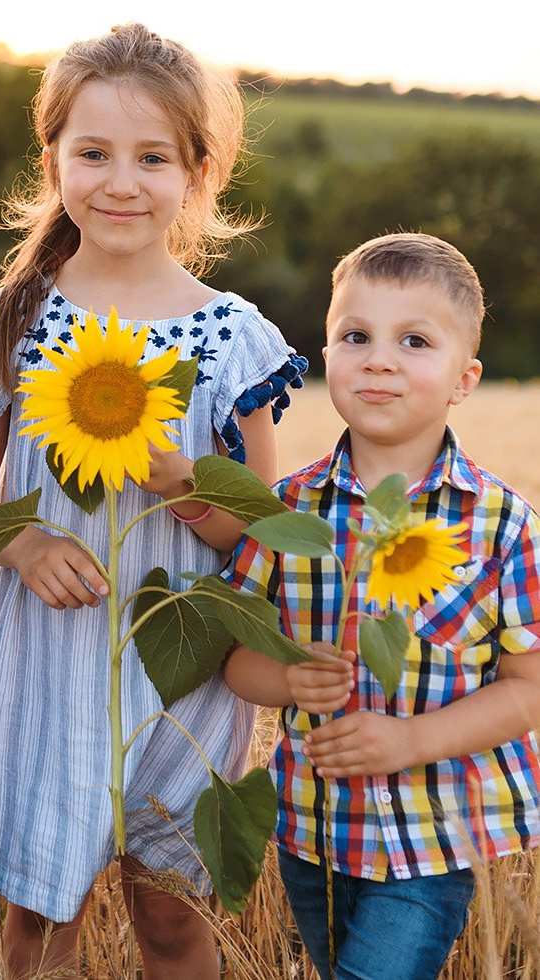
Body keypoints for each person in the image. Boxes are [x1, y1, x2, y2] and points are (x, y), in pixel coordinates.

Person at [0, 23, 307, 980]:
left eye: (152, 158)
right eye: (92, 153)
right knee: (37, 924)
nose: (120, 182)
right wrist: (16, 547)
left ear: (199, 172)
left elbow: (259, 529)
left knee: (174, 920)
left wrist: (179, 481)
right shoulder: (5, 325)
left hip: (182, 677)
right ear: (51, 156)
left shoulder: (233, 339)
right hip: (40, 665)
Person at [224, 233, 540, 980]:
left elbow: (528, 688)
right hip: (313, 830)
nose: (378, 358)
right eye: (353, 336)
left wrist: (409, 741)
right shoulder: (286, 509)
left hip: (433, 837)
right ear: (325, 352)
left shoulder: (501, 524)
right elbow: (233, 655)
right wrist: (288, 678)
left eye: (414, 341)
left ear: (463, 380)